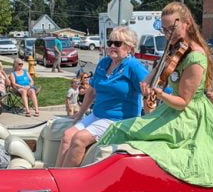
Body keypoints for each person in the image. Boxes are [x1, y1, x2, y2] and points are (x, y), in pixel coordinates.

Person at [99, 2, 213, 188]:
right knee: (118, 129)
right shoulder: (175, 47)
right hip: (170, 110)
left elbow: (182, 102)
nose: (167, 35)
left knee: (121, 130)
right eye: (164, 30)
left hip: (187, 116)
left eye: (171, 29)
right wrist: (146, 83)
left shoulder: (195, 57)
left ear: (186, 23)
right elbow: (158, 69)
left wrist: (158, 93)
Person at [56, 27, 147, 168]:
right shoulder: (104, 63)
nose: (111, 46)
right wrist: (79, 114)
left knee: (80, 139)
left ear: (129, 47)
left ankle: (66, 182)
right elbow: (91, 91)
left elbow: (152, 89)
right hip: (98, 114)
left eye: (117, 43)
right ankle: (56, 174)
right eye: (110, 42)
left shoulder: (134, 66)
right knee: (68, 135)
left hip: (118, 120)